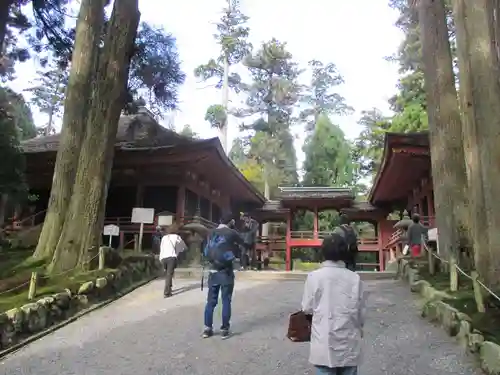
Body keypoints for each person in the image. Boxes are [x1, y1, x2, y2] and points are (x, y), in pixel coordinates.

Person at [301, 233, 366, 375]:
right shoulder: (355, 278)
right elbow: (361, 314)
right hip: (349, 341)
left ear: (323, 252)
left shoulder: (314, 277)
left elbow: (307, 308)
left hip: (323, 340)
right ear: (345, 252)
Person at [202, 213, 243, 339]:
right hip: (226, 271)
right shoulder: (232, 233)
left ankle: (207, 328)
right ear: (231, 221)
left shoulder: (210, 232)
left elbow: (205, 250)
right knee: (226, 300)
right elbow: (243, 243)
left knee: (211, 302)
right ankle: (225, 329)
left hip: (213, 270)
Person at [159, 224, 187, 298]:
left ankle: (169, 288)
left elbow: (161, 248)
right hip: (171, 257)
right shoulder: (177, 237)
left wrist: (160, 259)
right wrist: (179, 251)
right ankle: (167, 292)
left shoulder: (164, 238)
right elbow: (183, 247)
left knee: (168, 274)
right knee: (169, 274)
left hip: (163, 258)